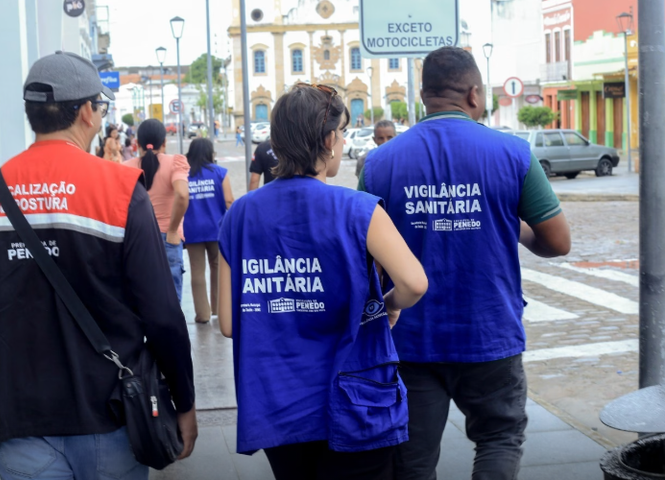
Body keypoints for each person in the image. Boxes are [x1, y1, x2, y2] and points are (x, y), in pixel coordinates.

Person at [0, 51, 197, 480]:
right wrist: (184, 400)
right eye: (100, 108)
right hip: (110, 414)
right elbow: (162, 313)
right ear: (87, 112)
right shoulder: (119, 190)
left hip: (17, 420)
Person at [359, 46, 571, 480]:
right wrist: (507, 223)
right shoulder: (513, 154)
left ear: (424, 96)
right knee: (499, 439)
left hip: (411, 339)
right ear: (474, 94)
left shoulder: (380, 162)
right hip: (489, 332)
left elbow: (365, 257)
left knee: (411, 459)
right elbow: (557, 242)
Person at [218, 83, 428, 479]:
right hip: (357, 399)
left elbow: (229, 323)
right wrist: (389, 307)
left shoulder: (238, 216)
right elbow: (414, 283)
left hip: (277, 403)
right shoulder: (359, 210)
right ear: (329, 141)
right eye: (342, 132)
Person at [123, 119, 190, 302]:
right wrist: (172, 229)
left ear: (138, 143)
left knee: (140, 301)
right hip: (168, 238)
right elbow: (182, 194)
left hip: (136, 239)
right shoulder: (175, 162)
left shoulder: (125, 167)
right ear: (164, 142)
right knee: (170, 303)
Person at [183, 138, 234, 324]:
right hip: (216, 228)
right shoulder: (220, 173)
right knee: (218, 267)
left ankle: (202, 314)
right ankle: (218, 309)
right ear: (210, 153)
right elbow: (229, 201)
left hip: (192, 229)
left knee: (197, 271)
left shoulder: (185, 175)